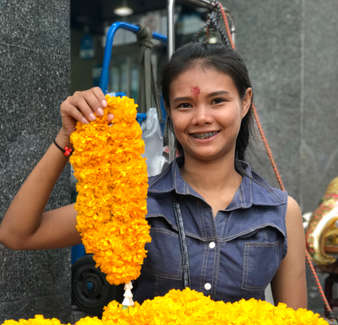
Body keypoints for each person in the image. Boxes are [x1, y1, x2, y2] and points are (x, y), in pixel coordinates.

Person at [0, 42, 307, 310]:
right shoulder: (132, 204)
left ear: (245, 102)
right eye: (184, 105)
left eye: (217, 101)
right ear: (169, 113)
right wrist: (66, 138)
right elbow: (18, 233)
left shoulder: (280, 212)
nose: (201, 118)